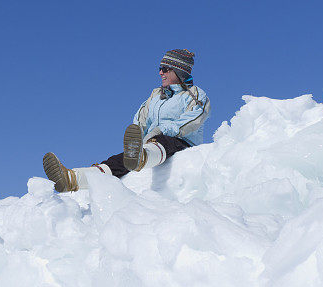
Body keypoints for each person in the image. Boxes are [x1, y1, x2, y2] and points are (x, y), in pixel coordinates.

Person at [43, 49, 211, 192]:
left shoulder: (194, 94)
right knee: (118, 161)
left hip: (182, 143)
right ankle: (72, 179)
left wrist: (162, 130)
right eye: (160, 68)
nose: (161, 72)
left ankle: (142, 157)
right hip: (151, 146)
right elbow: (141, 120)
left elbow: (194, 119)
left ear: (179, 71)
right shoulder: (155, 96)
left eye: (165, 69)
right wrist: (137, 138)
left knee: (161, 141)